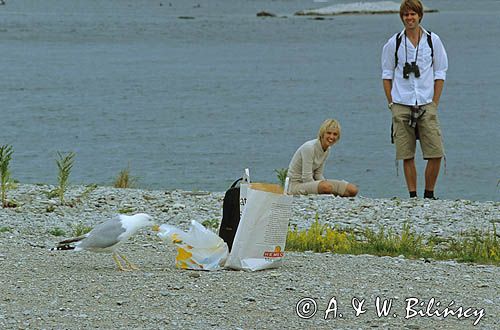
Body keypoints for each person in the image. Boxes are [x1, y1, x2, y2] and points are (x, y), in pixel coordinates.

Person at [381, 0, 448, 199]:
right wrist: (391, 104)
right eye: (406, 15)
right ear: (402, 17)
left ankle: (429, 194)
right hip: (402, 103)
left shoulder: (432, 40)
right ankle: (412, 196)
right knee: (406, 154)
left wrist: (434, 103)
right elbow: (386, 74)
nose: (410, 18)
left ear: (420, 16)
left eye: (413, 14)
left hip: (426, 103)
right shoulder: (394, 43)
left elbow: (440, 72)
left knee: (436, 152)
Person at [287, 119, 358, 197]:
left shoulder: (327, 149)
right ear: (322, 133)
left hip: (312, 182)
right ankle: (328, 191)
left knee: (352, 190)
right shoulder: (309, 148)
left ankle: (329, 190)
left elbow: (318, 174)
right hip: (296, 185)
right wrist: (323, 188)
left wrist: (325, 185)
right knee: (326, 187)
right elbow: (306, 178)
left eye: (335, 134)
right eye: (329, 133)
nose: (331, 137)